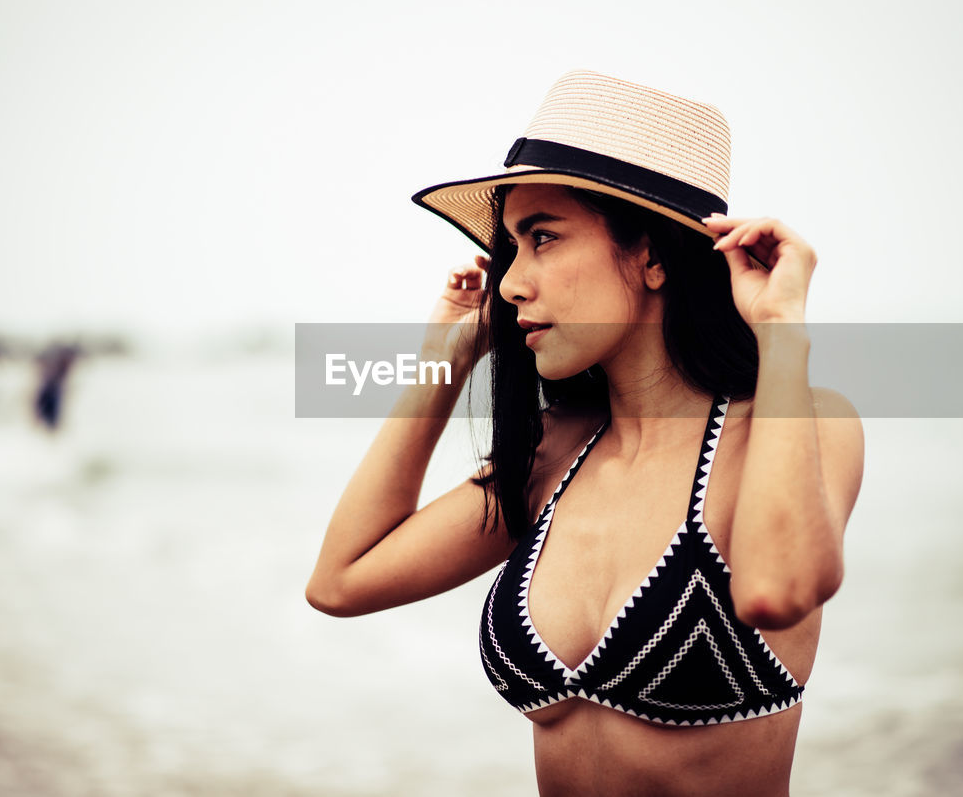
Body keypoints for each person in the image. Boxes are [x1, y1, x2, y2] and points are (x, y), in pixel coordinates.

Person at [306, 70, 864, 797]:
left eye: (543, 238)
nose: (509, 283)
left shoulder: (795, 424)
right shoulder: (555, 455)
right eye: (510, 247)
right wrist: (438, 368)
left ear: (652, 255)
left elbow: (777, 592)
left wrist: (780, 332)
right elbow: (341, 582)